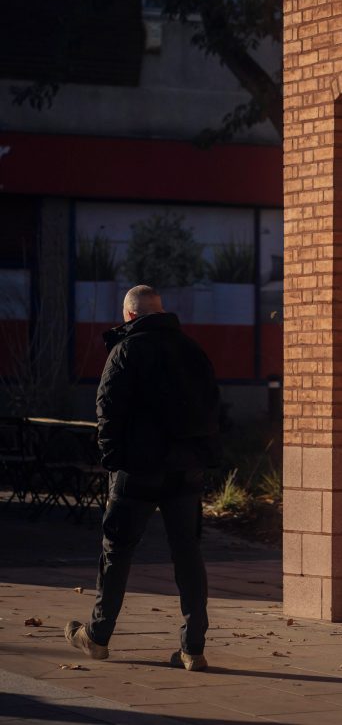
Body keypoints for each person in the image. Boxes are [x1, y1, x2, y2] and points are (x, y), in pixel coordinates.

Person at [65, 284, 220, 671]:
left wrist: (113, 459)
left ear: (129, 315)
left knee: (116, 552)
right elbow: (212, 407)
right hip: (184, 469)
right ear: (160, 311)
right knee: (187, 552)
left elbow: (108, 410)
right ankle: (193, 648)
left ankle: (98, 637)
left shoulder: (125, 350)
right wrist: (202, 458)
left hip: (138, 470)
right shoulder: (191, 349)